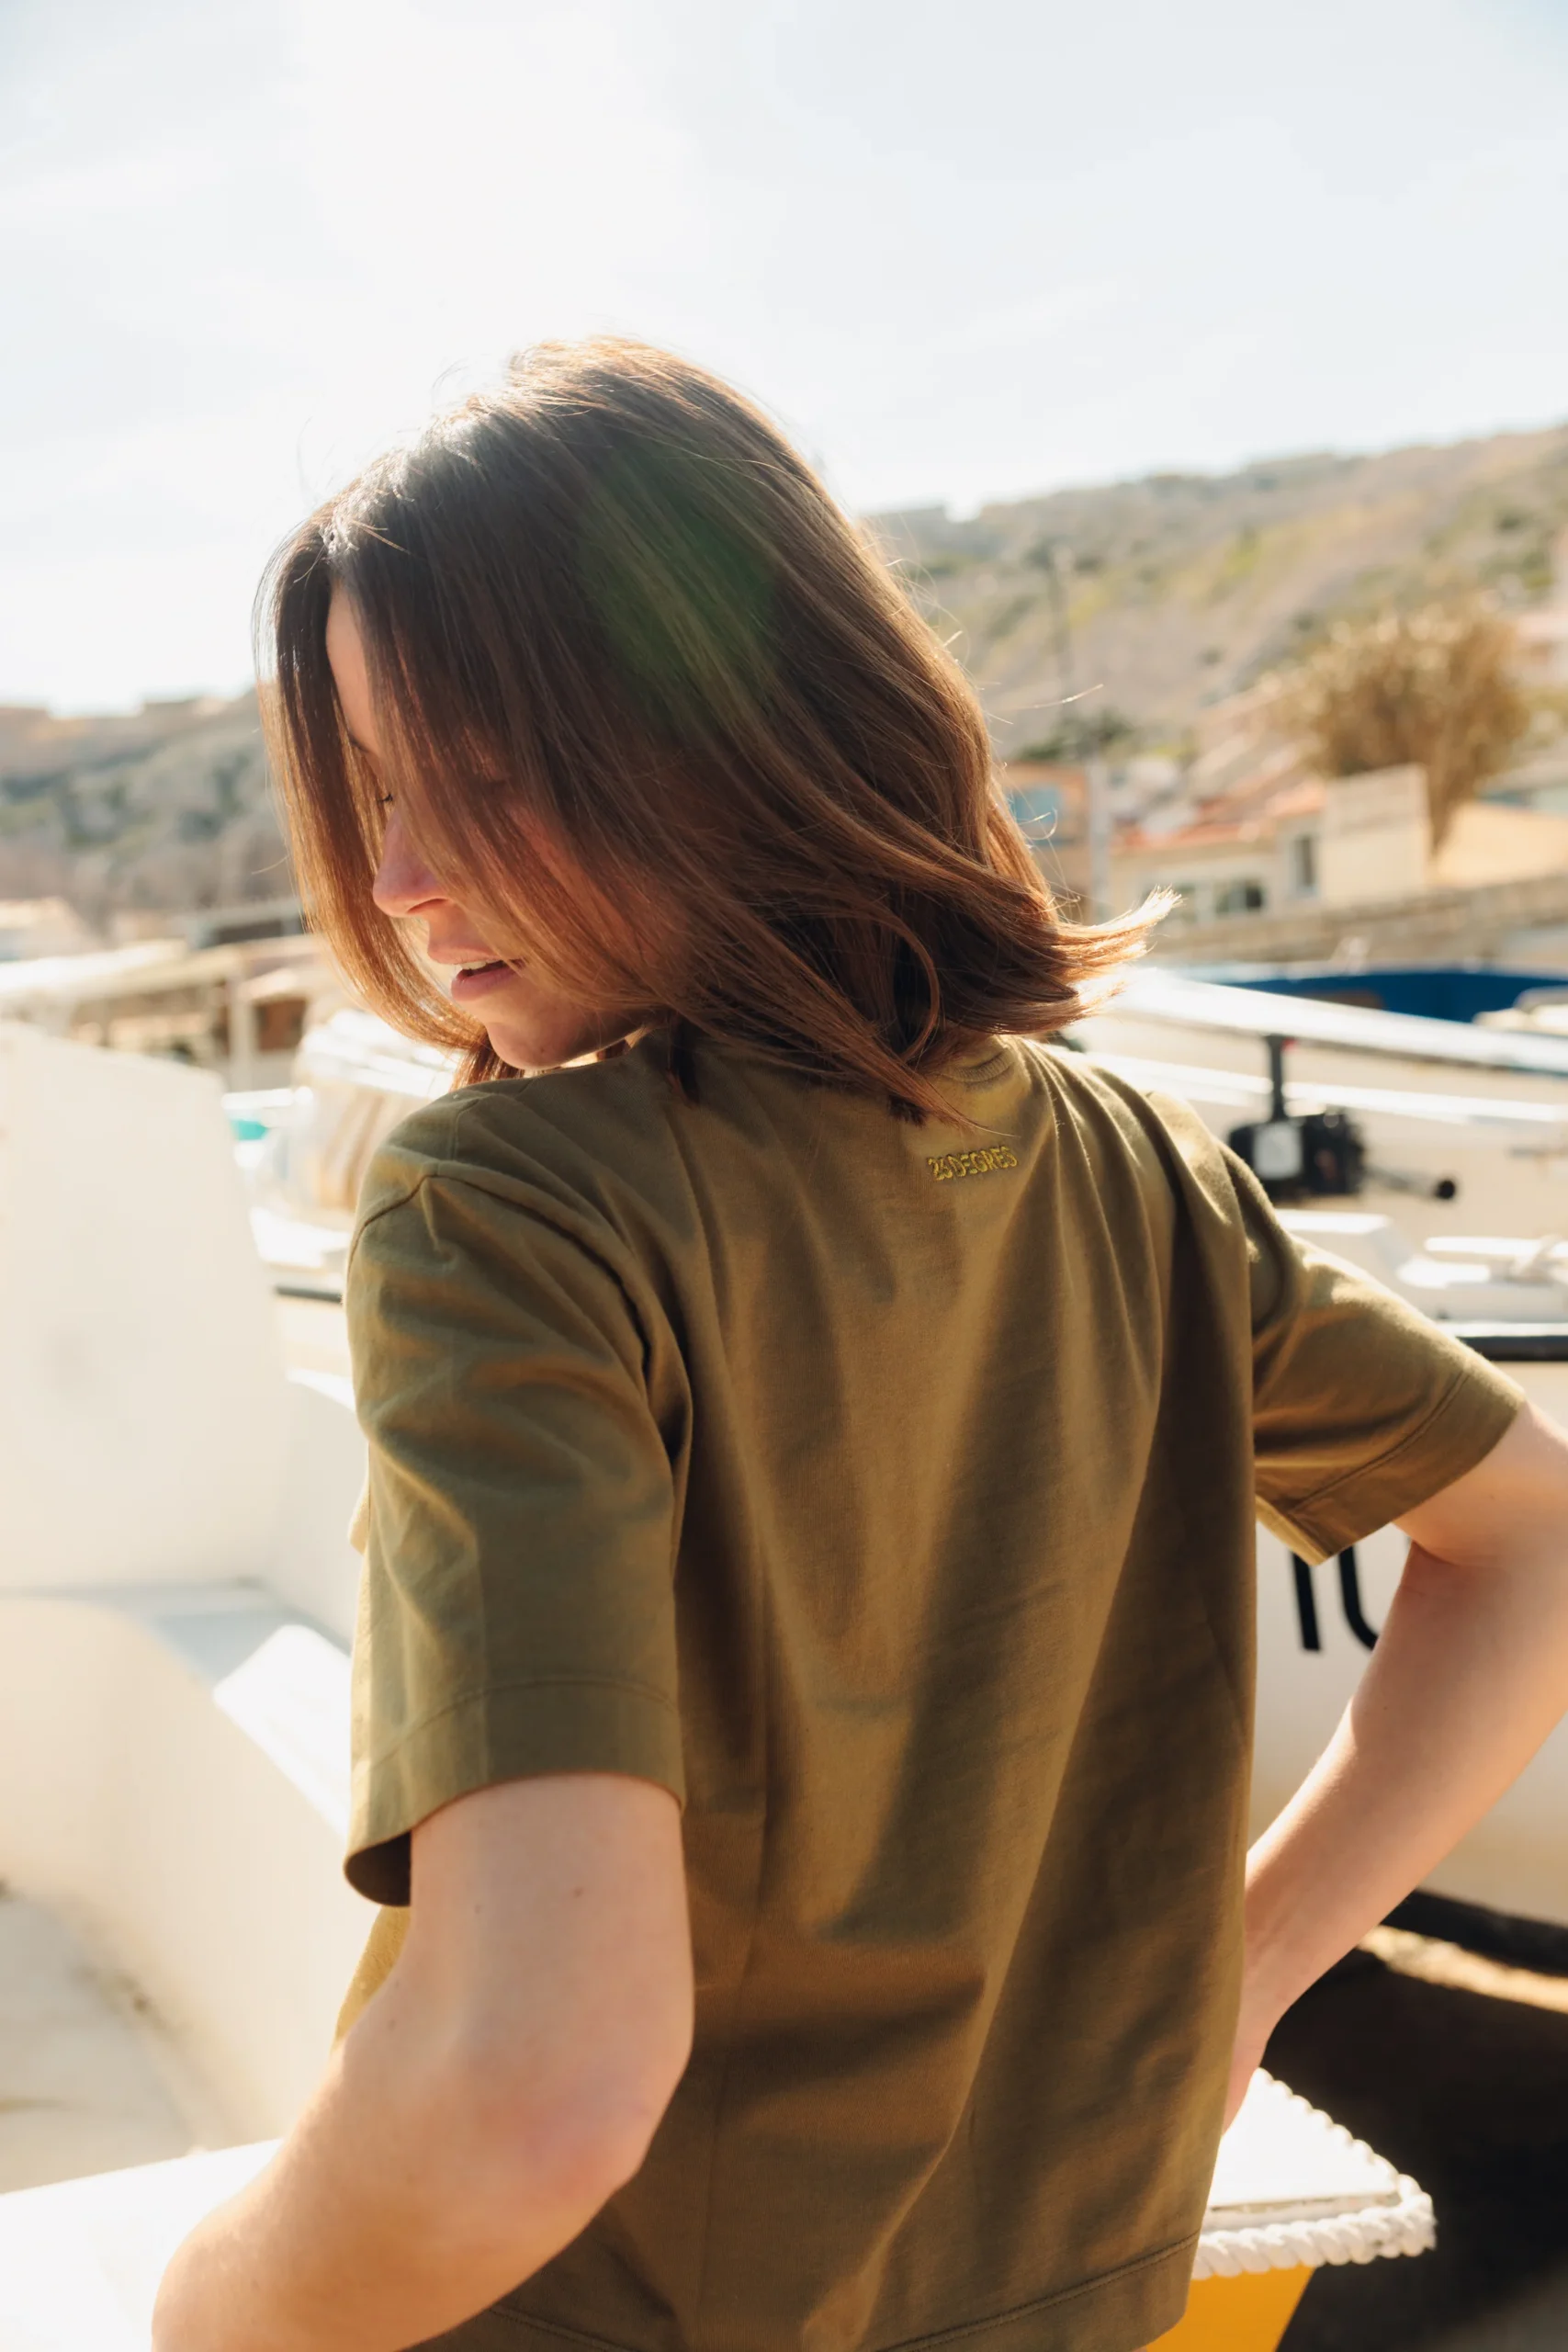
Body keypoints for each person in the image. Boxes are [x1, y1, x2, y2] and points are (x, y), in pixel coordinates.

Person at [154, 341, 1568, 2352]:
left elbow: (534, 2090)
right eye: (379, 794)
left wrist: (205, 2309)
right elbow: (1533, 1534)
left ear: (735, 733)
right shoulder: (1135, 1165)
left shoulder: (510, 1206)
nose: (396, 880)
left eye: (482, 777)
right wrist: (1244, 1971)